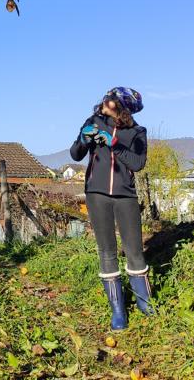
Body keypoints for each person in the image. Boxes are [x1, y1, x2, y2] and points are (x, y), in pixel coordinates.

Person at [70, 86, 151, 330]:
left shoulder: (138, 132)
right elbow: (75, 154)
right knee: (107, 251)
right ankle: (118, 310)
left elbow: (137, 163)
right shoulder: (93, 121)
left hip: (125, 195)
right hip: (97, 194)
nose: (105, 101)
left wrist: (113, 142)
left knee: (134, 250)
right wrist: (84, 139)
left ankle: (144, 303)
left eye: (112, 100)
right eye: (107, 97)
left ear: (123, 108)